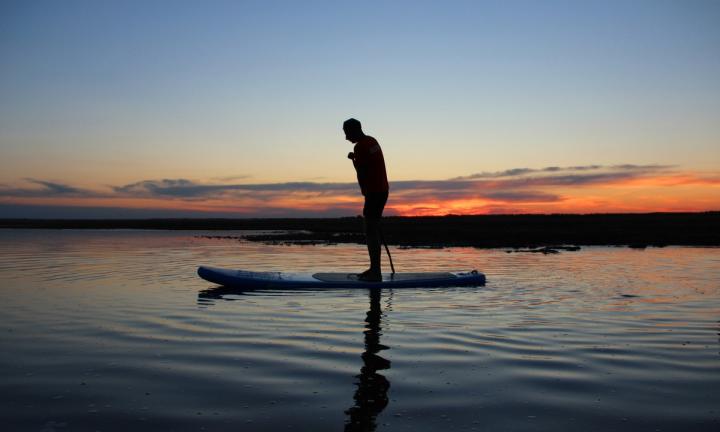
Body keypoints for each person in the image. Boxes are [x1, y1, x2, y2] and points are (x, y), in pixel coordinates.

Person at [344, 118, 389, 282]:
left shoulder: (360, 146)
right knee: (372, 229)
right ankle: (374, 269)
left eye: (346, 133)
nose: (346, 138)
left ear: (353, 131)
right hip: (381, 190)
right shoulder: (372, 141)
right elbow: (370, 165)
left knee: (370, 231)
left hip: (374, 192)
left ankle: (375, 273)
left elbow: (362, 172)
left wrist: (355, 160)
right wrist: (356, 159)